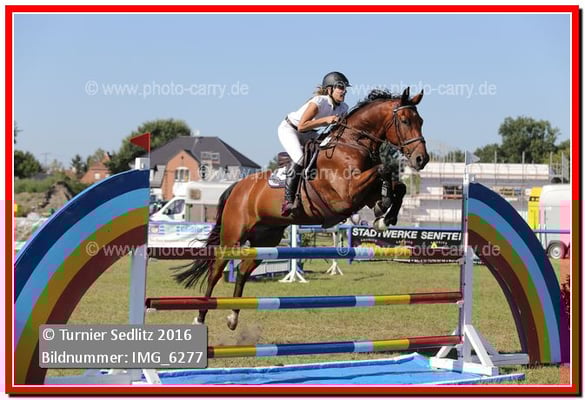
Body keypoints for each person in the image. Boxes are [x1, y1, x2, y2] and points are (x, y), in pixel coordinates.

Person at [277, 71, 351, 216]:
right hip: (290, 129)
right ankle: (288, 201)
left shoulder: (344, 108)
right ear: (329, 89)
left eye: (345, 88)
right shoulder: (319, 101)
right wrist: (326, 120)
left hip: (310, 132)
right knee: (300, 158)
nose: (344, 91)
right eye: (340, 87)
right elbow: (301, 126)